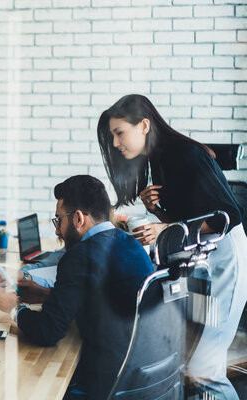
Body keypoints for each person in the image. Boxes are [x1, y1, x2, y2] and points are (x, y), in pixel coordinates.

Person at [97, 94, 247, 399]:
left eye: (119, 133)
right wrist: (158, 213)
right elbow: (191, 219)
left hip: (224, 263)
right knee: (193, 364)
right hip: (203, 266)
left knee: (204, 368)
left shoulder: (184, 155)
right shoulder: (160, 160)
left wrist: (165, 226)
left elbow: (228, 216)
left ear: (144, 125)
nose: (115, 144)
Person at [0, 175, 154, 399]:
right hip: (142, 376)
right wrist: (46, 294)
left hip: (108, 384)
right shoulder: (128, 242)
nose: (57, 231)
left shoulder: (80, 255)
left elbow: (48, 332)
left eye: (59, 221)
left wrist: (12, 307)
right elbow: (103, 297)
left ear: (78, 218)